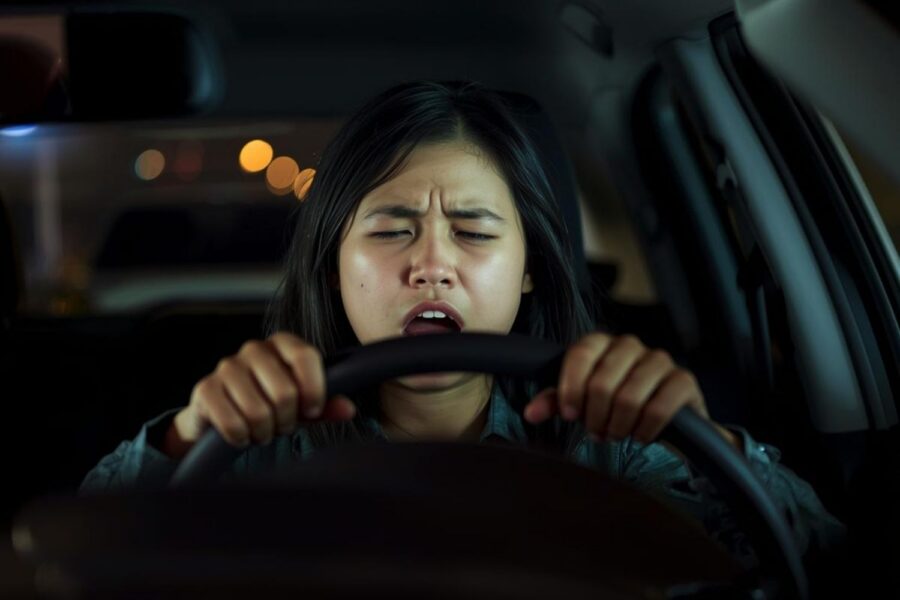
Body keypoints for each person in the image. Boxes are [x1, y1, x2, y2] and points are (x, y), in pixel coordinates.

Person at [81, 80, 844, 567]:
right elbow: (81, 555)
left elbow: (822, 561)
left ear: (529, 267)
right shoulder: (254, 450)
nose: (432, 264)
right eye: (391, 228)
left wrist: (708, 442)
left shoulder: (610, 447)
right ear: (330, 263)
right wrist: (188, 436)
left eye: (474, 231)